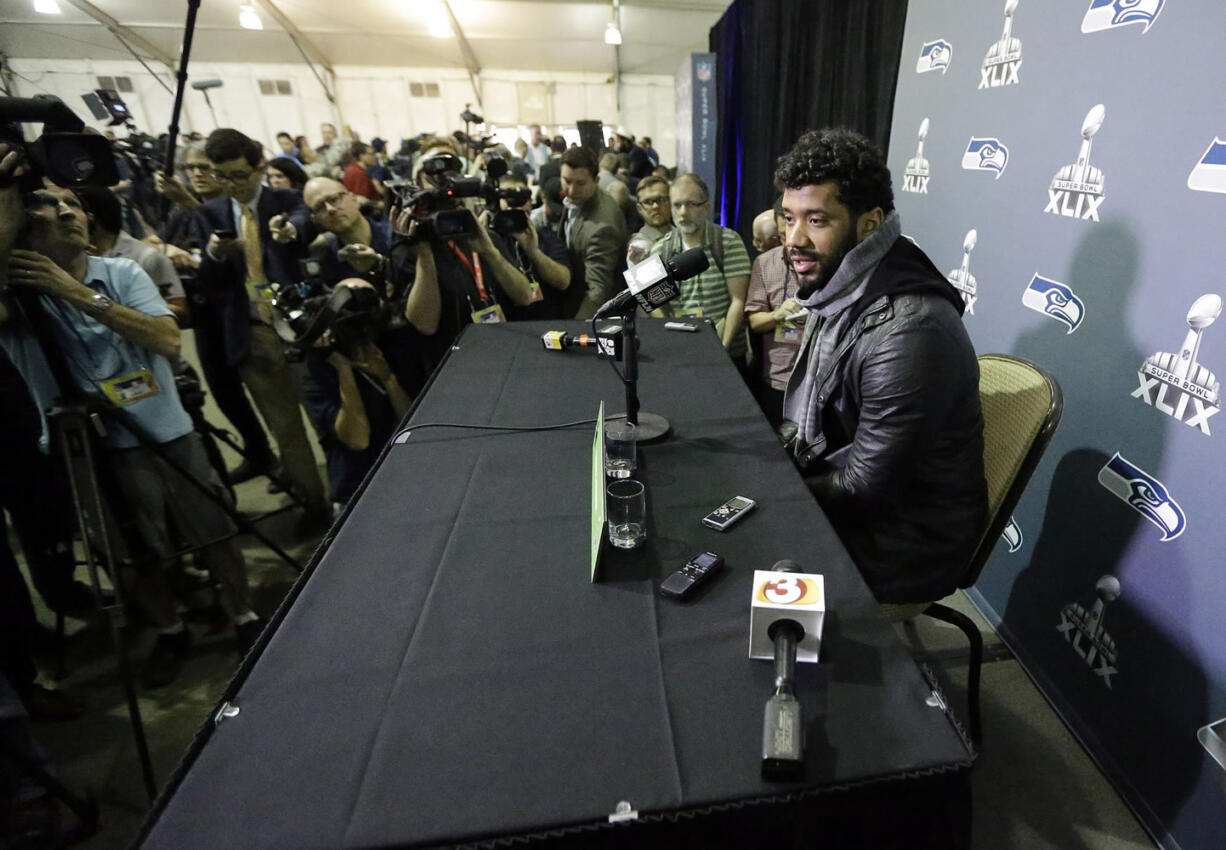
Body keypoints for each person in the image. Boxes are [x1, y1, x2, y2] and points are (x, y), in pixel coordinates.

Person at [1, 184, 264, 686]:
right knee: (127, 551)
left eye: (74, 204)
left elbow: (166, 339)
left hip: (166, 431)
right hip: (90, 447)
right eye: (51, 207)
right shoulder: (18, 297)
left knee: (214, 528)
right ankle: (169, 628)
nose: (68, 213)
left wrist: (75, 292)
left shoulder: (121, 273)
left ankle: (245, 615)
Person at [777, 127, 988, 604]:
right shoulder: (843, 285)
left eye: (816, 220)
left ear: (869, 223)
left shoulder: (910, 332)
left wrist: (775, 489)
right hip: (872, 511)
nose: (794, 239)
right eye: (788, 217)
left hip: (903, 543)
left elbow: (864, 488)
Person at [194, 128, 331, 531]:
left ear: (259, 168)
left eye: (239, 175)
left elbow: (302, 223)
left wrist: (288, 232)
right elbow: (209, 284)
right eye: (222, 176)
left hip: (301, 333)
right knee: (284, 430)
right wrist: (213, 257)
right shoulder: (212, 213)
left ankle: (348, 492)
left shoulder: (286, 201)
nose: (231, 185)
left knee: (325, 418)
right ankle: (314, 505)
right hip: (251, 336)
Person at [397, 146, 536, 373]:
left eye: (453, 175)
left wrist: (489, 251)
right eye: (435, 178)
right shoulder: (411, 248)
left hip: (504, 356)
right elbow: (425, 325)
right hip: (452, 367)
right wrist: (424, 255)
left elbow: (524, 296)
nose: (446, 184)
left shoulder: (484, 236)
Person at [301, 279, 412, 517]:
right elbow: (357, 439)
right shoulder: (318, 366)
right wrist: (344, 371)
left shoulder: (387, 347)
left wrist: (387, 378)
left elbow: (410, 422)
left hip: (401, 475)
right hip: (355, 490)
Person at [649, 173, 752, 372]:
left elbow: (738, 301)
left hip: (727, 352)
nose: (683, 213)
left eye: (691, 204)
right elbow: (656, 305)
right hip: (682, 352)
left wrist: (722, 350)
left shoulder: (728, 242)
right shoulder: (661, 250)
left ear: (706, 207)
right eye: (676, 205)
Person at [745, 203, 801, 428]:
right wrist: (778, 314)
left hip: (818, 382)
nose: (790, 241)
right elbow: (755, 322)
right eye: (782, 234)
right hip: (778, 378)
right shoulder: (765, 263)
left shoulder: (826, 263)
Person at [557, 146, 627, 318]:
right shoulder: (578, 198)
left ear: (596, 180)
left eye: (580, 183)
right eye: (567, 181)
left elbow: (598, 290)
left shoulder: (603, 226)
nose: (571, 190)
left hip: (592, 310)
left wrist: (578, 330)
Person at [494, 171, 571, 320]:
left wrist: (533, 252)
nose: (517, 207)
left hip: (545, 325)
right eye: (510, 200)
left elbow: (564, 281)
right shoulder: (490, 243)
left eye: (522, 200)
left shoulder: (546, 235)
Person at [633, 174, 672, 245]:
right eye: (648, 202)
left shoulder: (682, 233)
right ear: (639, 209)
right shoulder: (639, 245)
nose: (655, 206)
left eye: (661, 199)